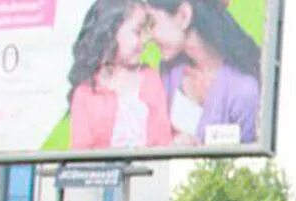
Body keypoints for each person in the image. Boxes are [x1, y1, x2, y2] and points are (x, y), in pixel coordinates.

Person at [144, 0, 261, 145]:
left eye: (152, 23)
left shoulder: (244, 90)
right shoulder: (170, 70)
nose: (148, 38)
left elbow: (248, 162)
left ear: (183, 16)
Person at [67, 0, 174, 150]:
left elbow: (162, 139)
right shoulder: (85, 92)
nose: (144, 41)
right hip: (103, 172)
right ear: (111, 31)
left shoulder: (150, 79)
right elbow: (80, 154)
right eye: (137, 32)